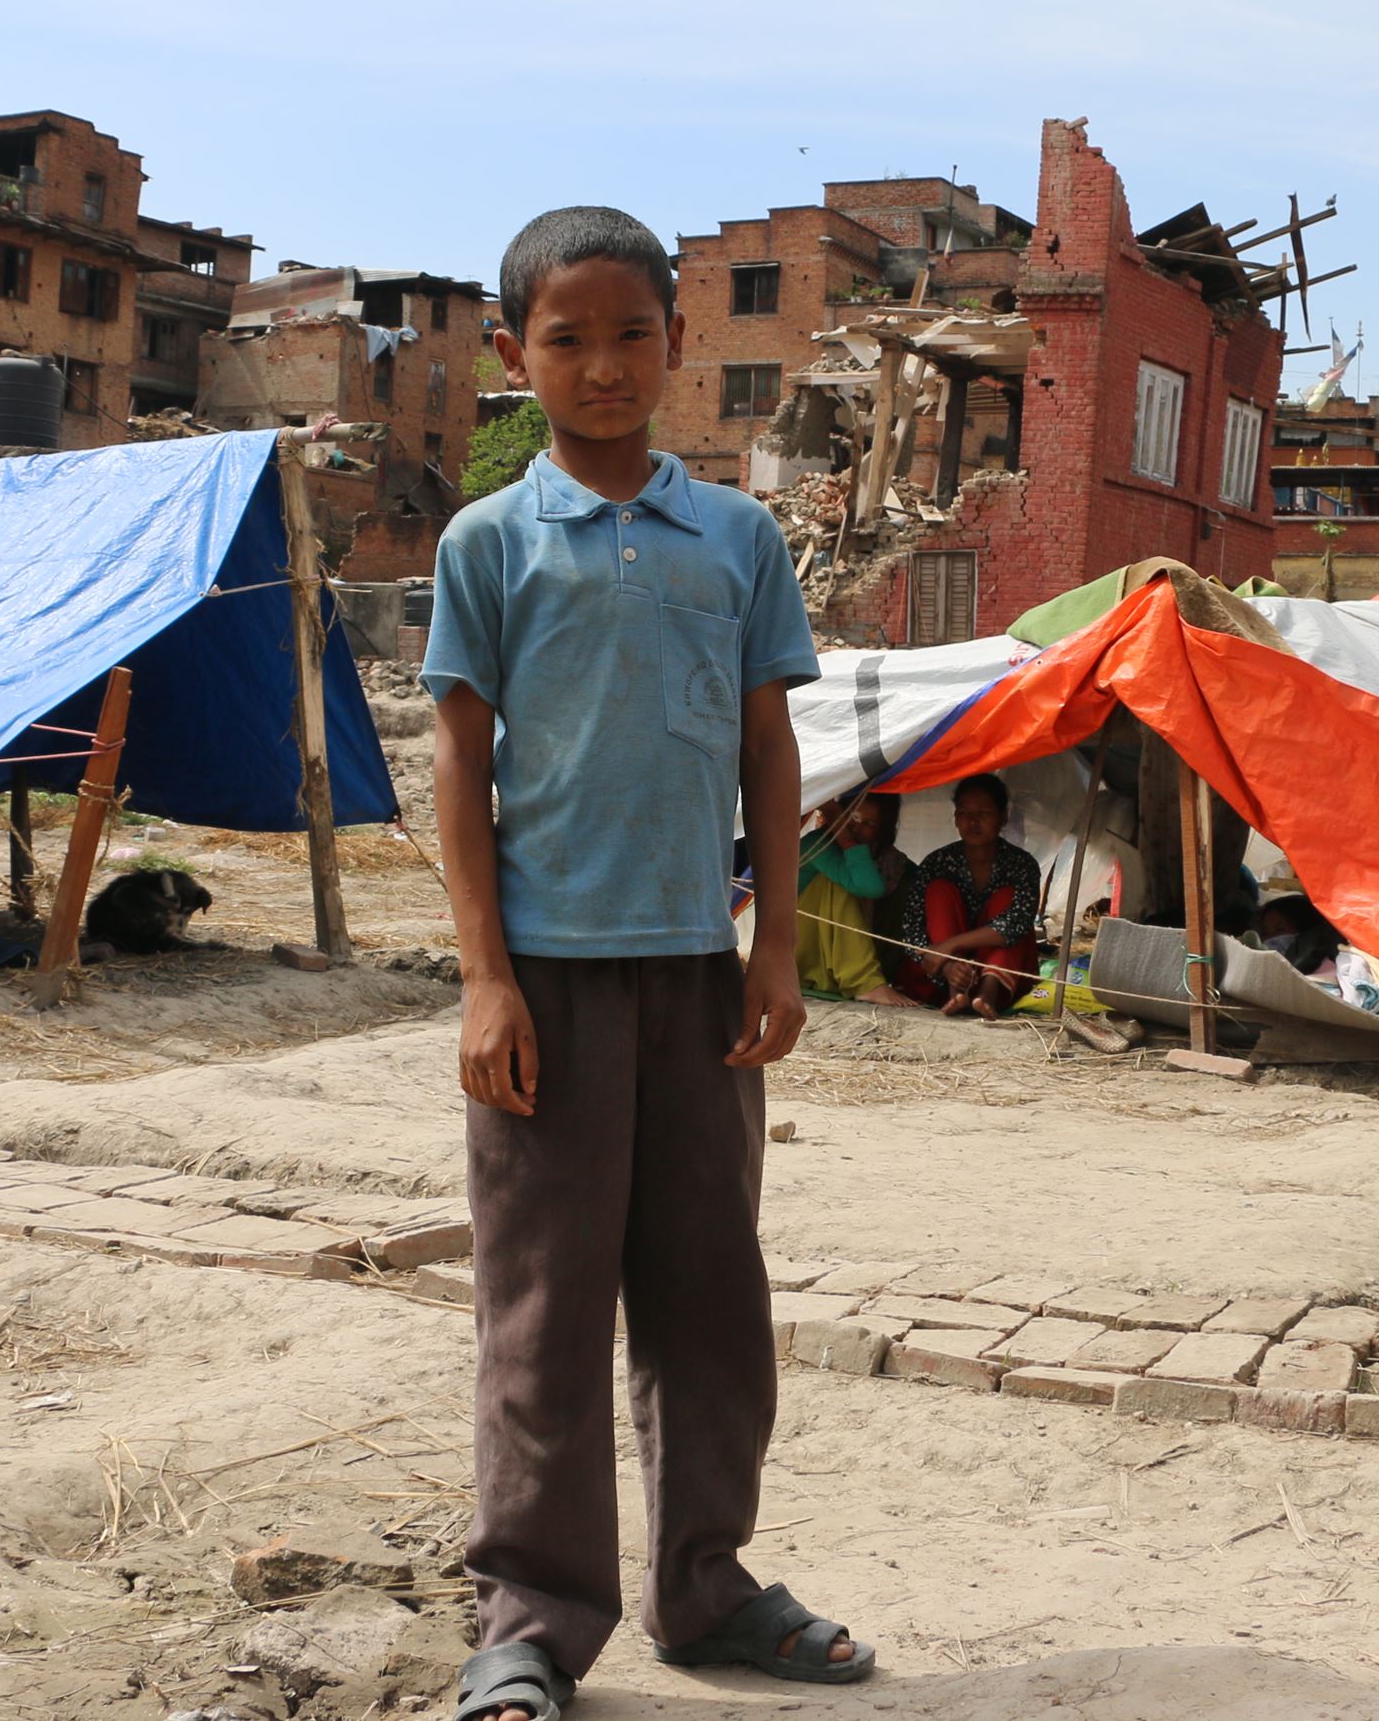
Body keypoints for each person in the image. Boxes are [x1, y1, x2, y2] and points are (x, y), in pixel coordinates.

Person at [426, 205, 876, 1721]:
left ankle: (706, 1585)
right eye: (566, 338)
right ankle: (531, 1621)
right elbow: (457, 769)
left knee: (706, 1296)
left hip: (696, 973)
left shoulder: (736, 538)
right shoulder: (487, 543)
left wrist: (771, 947)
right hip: (544, 984)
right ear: (513, 357)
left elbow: (768, 744)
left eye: (631, 335)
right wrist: (483, 978)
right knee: (542, 1311)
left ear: (677, 346)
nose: (603, 366)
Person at [892, 772, 1043, 1017]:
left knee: (1006, 899)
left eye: (983, 814)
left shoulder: (1022, 865)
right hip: (939, 977)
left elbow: (1015, 925)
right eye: (964, 813)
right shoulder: (937, 862)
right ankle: (956, 993)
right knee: (939, 890)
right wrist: (947, 964)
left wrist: (949, 946)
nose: (972, 822)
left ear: (1003, 818)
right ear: (955, 818)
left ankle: (987, 994)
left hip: (1003, 976)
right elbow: (912, 931)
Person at [796, 794, 904, 999]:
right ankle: (863, 981)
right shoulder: (815, 843)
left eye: (869, 824)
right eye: (852, 817)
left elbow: (876, 886)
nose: (856, 827)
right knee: (839, 882)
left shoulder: (878, 854)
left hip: (823, 949)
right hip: (797, 948)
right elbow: (869, 887)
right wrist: (838, 823)